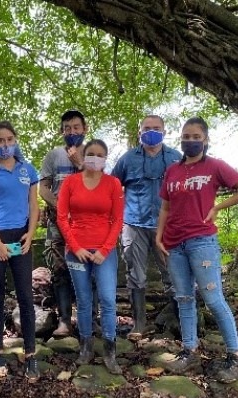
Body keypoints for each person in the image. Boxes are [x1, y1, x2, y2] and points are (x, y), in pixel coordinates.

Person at [157, 116, 238, 383]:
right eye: (186, 136)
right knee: (184, 299)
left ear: (205, 139)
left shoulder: (214, 166)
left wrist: (217, 207)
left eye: (195, 136)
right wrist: (158, 237)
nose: (190, 141)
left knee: (213, 299)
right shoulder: (172, 171)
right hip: (174, 244)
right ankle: (188, 351)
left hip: (202, 241)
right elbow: (165, 207)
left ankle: (235, 355)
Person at [0, 121, 40, 381]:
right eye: (0, 141)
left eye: (9, 139)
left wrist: (31, 234)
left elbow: (34, 205)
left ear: (15, 140)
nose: (5, 145)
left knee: (26, 296)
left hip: (21, 237)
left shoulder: (28, 170)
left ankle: (30, 353)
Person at [111, 115, 182, 338]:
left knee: (172, 273)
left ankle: (178, 320)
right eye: (147, 128)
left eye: (156, 128)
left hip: (167, 226)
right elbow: (113, 188)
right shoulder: (127, 159)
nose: (151, 132)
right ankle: (139, 324)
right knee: (136, 275)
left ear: (165, 131)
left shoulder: (175, 158)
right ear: (140, 132)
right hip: (134, 225)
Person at [57, 139, 124, 374]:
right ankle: (85, 347)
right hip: (77, 252)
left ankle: (109, 349)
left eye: (100, 154)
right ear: (83, 157)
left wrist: (104, 250)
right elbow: (62, 218)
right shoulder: (70, 183)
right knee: (84, 302)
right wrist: (75, 247)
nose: (95, 158)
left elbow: (117, 220)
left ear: (105, 158)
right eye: (91, 154)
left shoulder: (113, 184)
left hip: (104, 251)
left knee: (107, 299)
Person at [39, 109, 88, 337]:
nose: (72, 132)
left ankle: (90, 319)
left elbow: (102, 185)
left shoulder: (93, 152)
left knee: (89, 267)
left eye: (76, 127)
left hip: (88, 223)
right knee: (59, 269)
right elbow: (43, 188)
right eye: (67, 128)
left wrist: (80, 164)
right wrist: (61, 208)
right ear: (61, 131)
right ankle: (64, 321)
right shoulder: (53, 156)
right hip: (58, 221)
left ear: (84, 129)